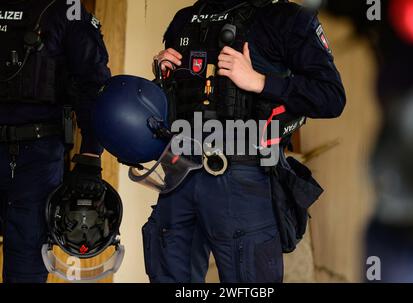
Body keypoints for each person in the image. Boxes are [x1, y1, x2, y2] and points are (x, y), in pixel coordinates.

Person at [146, 0, 346, 283]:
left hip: (243, 174)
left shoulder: (287, 17)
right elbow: (176, 100)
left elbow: (331, 97)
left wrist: (260, 82)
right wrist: (162, 76)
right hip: (178, 169)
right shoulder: (186, 18)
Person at [0, 0, 110, 283]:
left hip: (37, 158)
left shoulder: (67, 9)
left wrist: (90, 156)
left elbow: (93, 84)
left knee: (26, 264)